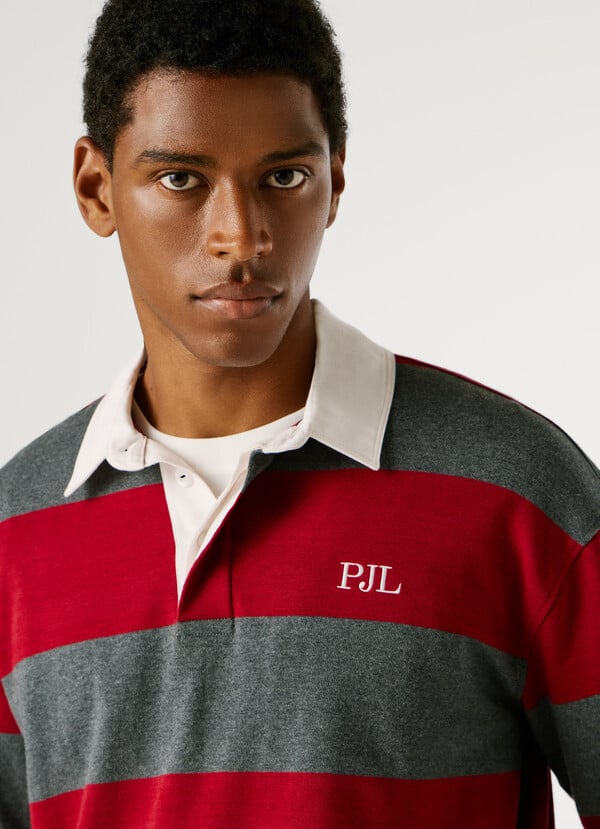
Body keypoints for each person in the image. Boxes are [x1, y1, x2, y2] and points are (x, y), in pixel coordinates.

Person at [0, 0, 598, 826]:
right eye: (181, 180)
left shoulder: (518, 491)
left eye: (283, 177)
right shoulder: (14, 532)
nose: (241, 238)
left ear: (335, 182)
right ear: (96, 189)